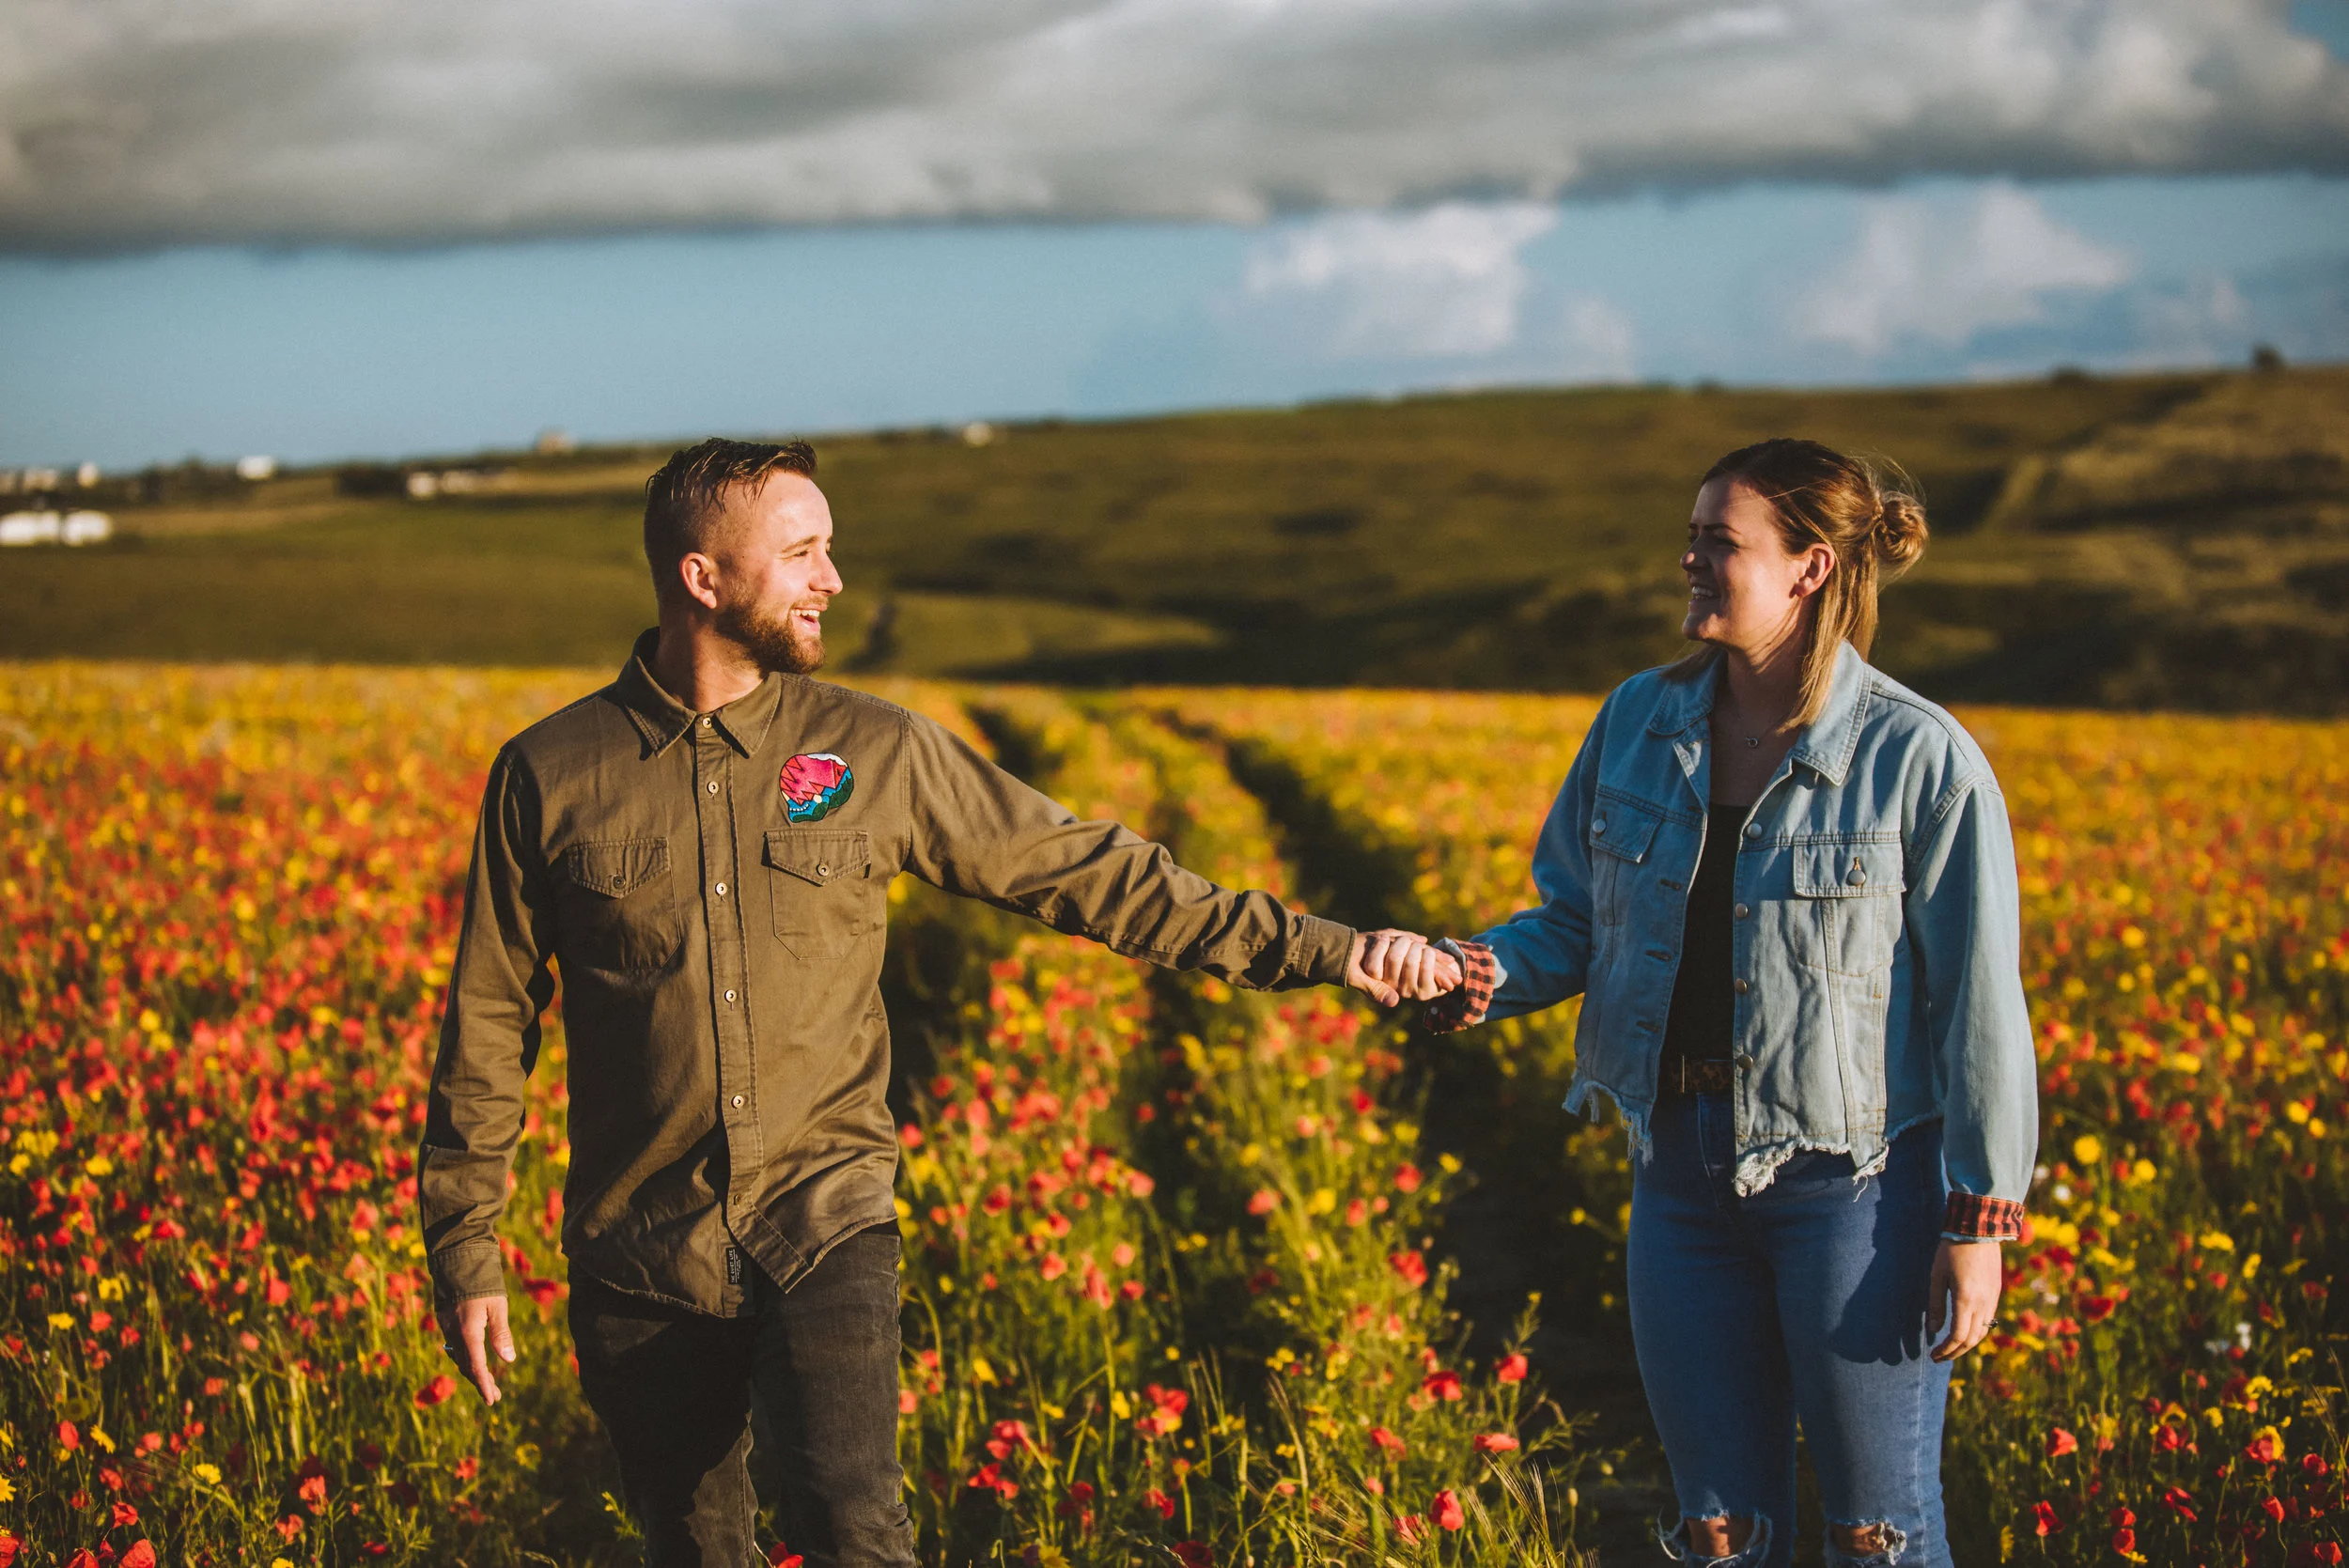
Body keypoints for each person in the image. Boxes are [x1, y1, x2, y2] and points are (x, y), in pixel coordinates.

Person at [415, 437, 1456, 1568]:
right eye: (802, 552)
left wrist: (1327, 949)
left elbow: (1089, 873)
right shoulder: (549, 772)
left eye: (830, 550)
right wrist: (466, 1245)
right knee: (694, 1542)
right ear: (700, 577)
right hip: (641, 1247)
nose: (832, 580)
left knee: (853, 1526)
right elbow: (489, 1019)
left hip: (822, 1216)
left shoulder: (876, 749)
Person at [1373, 439, 2037, 1567]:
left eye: (1717, 542)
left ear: (1809, 569)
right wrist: (1464, 966)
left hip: (1856, 1198)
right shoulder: (1638, 719)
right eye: (1691, 536)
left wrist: (1978, 1221)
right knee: (1717, 1531)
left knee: (1875, 1530)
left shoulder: (1919, 759)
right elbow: (1575, 922)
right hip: (1675, 1178)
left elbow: (1979, 1008)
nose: (1687, 558)